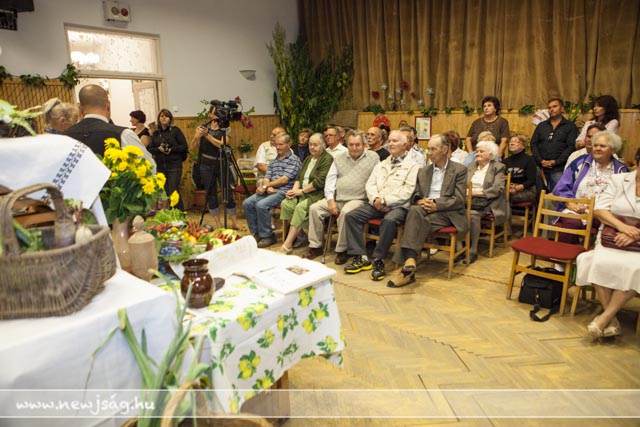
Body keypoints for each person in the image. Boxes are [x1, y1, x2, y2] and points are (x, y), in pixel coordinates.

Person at [387, 134, 468, 287]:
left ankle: (408, 264)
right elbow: (416, 193)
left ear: (445, 149)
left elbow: (459, 199)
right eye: (428, 149)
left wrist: (436, 204)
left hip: (448, 212)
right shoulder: (424, 171)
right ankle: (409, 265)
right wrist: (419, 200)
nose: (429, 153)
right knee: (415, 210)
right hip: (424, 209)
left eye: (433, 149)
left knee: (415, 218)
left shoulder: (459, 170)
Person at [576, 148, 640, 339]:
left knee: (635, 268)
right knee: (596, 262)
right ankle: (612, 321)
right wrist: (623, 227)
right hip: (612, 237)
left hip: (637, 244)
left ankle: (605, 318)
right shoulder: (619, 180)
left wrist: (635, 235)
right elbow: (600, 209)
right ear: (637, 164)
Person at [342, 130, 420, 281]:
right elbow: (370, 184)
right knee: (351, 216)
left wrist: (385, 201)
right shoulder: (381, 164)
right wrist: (376, 199)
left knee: (389, 220)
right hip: (377, 204)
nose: (391, 144)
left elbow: (408, 191)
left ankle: (379, 260)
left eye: (395, 141)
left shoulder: (413, 166)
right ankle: (361, 257)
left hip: (398, 206)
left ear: (405, 145)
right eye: (389, 141)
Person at [304, 130, 380, 261]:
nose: (354, 148)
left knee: (345, 212)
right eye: (351, 145)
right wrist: (330, 200)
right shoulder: (339, 158)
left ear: (364, 145)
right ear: (346, 144)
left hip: (359, 199)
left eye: (358, 145)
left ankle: (342, 250)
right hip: (338, 198)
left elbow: (377, 180)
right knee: (314, 208)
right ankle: (315, 246)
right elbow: (330, 180)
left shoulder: (373, 157)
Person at [553, 130, 628, 244]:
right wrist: (570, 203)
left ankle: (595, 254)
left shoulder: (621, 170)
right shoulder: (580, 162)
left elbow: (624, 197)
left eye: (602, 146)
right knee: (571, 224)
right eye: (595, 145)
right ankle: (566, 254)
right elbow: (561, 186)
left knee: (609, 228)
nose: (597, 148)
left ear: (613, 150)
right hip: (576, 209)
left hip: (604, 213)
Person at [64, 84, 156, 171]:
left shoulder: (65, 136)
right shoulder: (123, 134)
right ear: (108, 106)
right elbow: (149, 167)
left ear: (79, 108)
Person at [243, 132, 301, 248]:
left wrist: (266, 186)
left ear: (289, 144)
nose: (277, 147)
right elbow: (267, 177)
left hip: (284, 191)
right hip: (271, 190)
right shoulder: (275, 160)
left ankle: (267, 236)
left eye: (280, 144)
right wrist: (268, 186)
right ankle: (257, 233)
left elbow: (284, 180)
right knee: (247, 203)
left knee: (261, 205)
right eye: (276, 145)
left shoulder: (294, 160)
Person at [279, 133, 333, 253]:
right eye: (310, 144)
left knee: (300, 208)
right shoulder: (308, 158)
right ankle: (301, 234)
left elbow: (319, 182)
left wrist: (301, 191)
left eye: (315, 145)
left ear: (323, 145)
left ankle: (287, 244)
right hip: (301, 192)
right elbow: (299, 177)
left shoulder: (327, 159)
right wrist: (293, 191)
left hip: (317, 194)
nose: (312, 147)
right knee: (286, 204)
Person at [192, 104, 239, 229]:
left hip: (222, 163)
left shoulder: (226, 128)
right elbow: (193, 146)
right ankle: (218, 224)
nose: (218, 115)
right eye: (215, 113)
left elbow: (222, 145)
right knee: (211, 193)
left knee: (228, 192)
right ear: (210, 115)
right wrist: (197, 136)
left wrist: (207, 135)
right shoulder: (203, 127)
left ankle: (234, 222)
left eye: (219, 112)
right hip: (206, 165)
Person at [467, 140, 507, 263]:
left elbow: (498, 188)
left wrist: (476, 193)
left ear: (490, 154)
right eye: (477, 151)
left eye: (481, 151)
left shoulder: (498, 167)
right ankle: (459, 248)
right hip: (468, 199)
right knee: (454, 211)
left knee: (472, 215)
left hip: (488, 201)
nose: (478, 153)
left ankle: (472, 250)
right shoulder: (471, 166)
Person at [529, 97, 578, 191]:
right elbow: (533, 143)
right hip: (540, 167)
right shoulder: (541, 126)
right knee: (539, 193)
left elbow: (571, 147)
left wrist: (556, 162)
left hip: (559, 167)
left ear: (562, 108)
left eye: (555, 106)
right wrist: (540, 160)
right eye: (549, 107)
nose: (551, 109)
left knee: (559, 192)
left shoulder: (570, 126)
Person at [148, 109, 188, 210]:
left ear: (170, 118)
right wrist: (159, 149)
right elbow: (150, 149)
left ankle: (179, 214)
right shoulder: (156, 133)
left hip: (174, 165)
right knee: (166, 192)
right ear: (159, 119)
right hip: (161, 166)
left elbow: (184, 146)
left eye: (166, 116)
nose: (164, 118)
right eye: (162, 116)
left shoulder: (176, 131)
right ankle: (173, 214)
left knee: (174, 191)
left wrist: (171, 149)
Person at [503, 133, 538, 203]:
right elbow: (503, 178)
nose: (512, 143)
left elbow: (531, 181)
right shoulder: (506, 161)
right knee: (498, 194)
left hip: (527, 190)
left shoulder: (529, 160)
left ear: (523, 146)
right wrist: (508, 186)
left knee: (504, 197)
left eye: (516, 141)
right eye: (511, 141)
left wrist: (517, 188)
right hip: (509, 189)